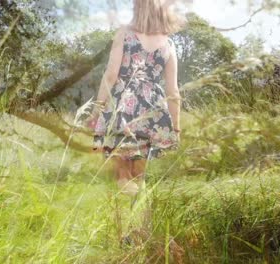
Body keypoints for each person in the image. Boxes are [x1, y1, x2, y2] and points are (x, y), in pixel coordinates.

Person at [86, 0, 184, 244]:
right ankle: (136, 232)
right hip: (152, 113)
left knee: (120, 172)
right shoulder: (169, 45)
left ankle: (122, 236)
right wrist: (176, 127)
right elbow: (173, 92)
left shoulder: (126, 35)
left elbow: (110, 74)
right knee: (139, 177)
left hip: (122, 108)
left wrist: (97, 110)